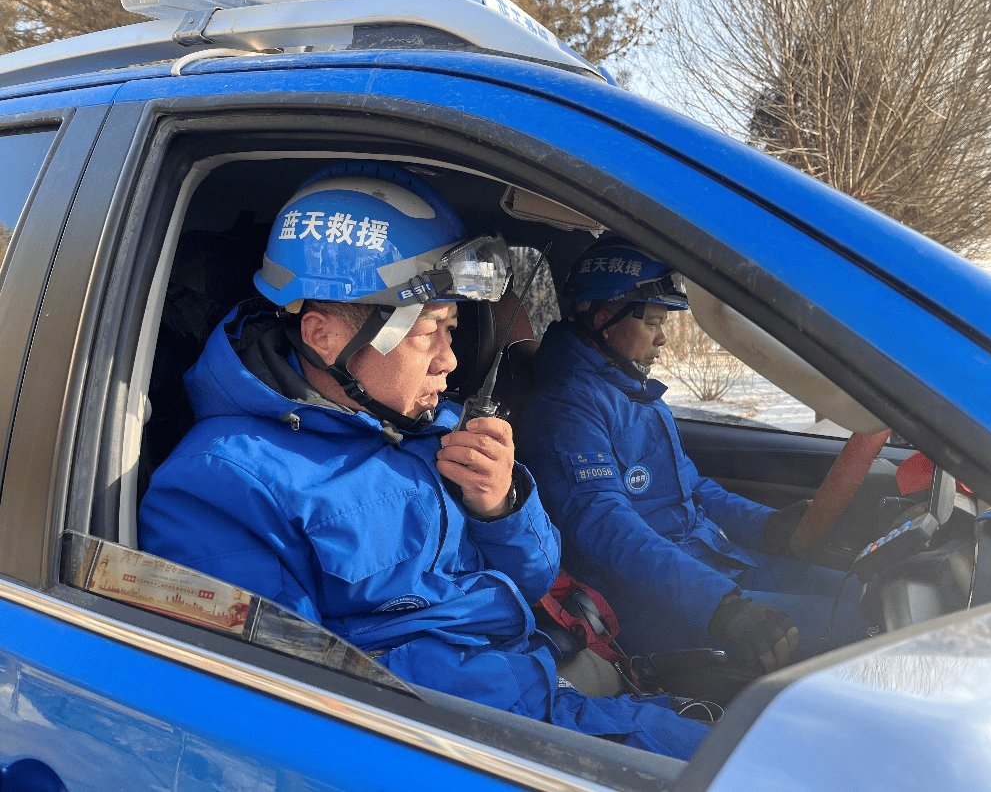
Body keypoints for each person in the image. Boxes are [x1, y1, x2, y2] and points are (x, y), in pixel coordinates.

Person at [138, 162, 709, 759]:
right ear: (325, 335)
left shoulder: (433, 425)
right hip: (460, 743)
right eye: (426, 332)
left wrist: (503, 508)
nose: (449, 361)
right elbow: (289, 708)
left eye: (452, 329)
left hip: (537, 693)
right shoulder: (219, 484)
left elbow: (537, 578)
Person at [515, 236, 868, 675]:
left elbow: (690, 486)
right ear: (604, 318)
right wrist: (718, 605)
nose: (663, 337)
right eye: (652, 323)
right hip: (655, 603)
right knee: (864, 630)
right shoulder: (566, 407)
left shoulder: (631, 389)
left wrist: (768, 525)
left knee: (864, 593)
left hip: (713, 566)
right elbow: (603, 525)